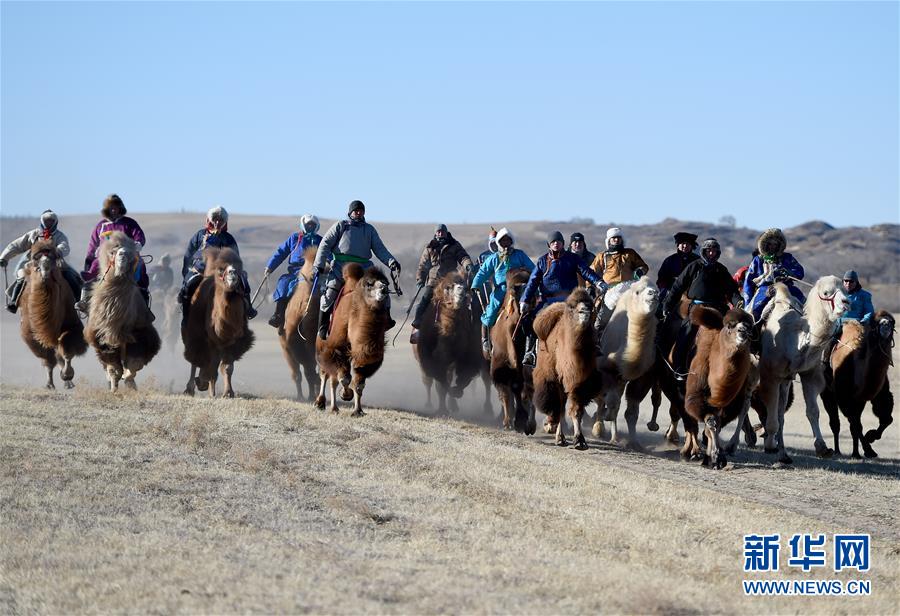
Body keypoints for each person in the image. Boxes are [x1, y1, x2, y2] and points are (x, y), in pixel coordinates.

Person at [313, 200, 400, 340]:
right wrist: (319, 264)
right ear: (350, 212)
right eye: (356, 210)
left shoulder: (369, 229)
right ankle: (322, 327)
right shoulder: (341, 226)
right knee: (330, 292)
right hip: (341, 266)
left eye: (361, 210)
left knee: (381, 288)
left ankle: (387, 318)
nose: (358, 212)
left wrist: (391, 262)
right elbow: (325, 244)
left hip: (364, 267)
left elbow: (380, 249)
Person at [519, 231, 606, 366]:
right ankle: (530, 351)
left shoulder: (572, 258)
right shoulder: (542, 261)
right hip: (548, 302)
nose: (556, 244)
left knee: (588, 315)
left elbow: (586, 271)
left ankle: (594, 344)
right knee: (530, 319)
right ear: (549, 245)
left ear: (563, 244)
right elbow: (533, 282)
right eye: (553, 242)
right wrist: (524, 300)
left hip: (570, 301)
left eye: (558, 241)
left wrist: (598, 282)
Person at [662, 238, 739, 377]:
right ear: (704, 251)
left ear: (718, 253)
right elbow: (677, 287)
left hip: (719, 308)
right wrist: (667, 304)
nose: (711, 253)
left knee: (733, 332)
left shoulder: (721, 269)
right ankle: (679, 367)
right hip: (697, 307)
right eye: (708, 250)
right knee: (686, 332)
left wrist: (739, 302)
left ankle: (735, 369)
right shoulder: (694, 266)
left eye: (714, 251)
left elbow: (732, 290)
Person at [178, 206, 257, 325]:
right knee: (189, 284)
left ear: (224, 222)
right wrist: (186, 272)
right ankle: (186, 316)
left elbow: (236, 256)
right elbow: (189, 254)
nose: (217, 222)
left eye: (220, 220)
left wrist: (236, 268)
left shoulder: (228, 238)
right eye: (215, 219)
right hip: (200, 270)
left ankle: (248, 308)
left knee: (243, 281)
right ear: (210, 220)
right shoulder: (200, 235)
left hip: (223, 272)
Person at [77, 194, 150, 314]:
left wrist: (137, 244)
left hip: (127, 255)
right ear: (107, 210)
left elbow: (139, 235)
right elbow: (93, 244)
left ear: (120, 208)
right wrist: (89, 258)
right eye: (111, 207)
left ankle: (144, 303)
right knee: (93, 268)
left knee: (140, 265)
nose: (114, 210)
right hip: (106, 257)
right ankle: (85, 300)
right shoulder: (101, 226)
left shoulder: (129, 223)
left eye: (116, 207)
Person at [470, 227, 535, 356]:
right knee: (491, 311)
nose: (506, 242)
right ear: (499, 242)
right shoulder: (494, 258)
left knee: (531, 312)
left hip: (519, 289)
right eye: (503, 240)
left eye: (508, 240)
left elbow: (533, 269)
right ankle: (486, 339)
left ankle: (532, 345)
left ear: (511, 241)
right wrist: (475, 284)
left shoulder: (519, 254)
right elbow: (483, 272)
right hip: (502, 290)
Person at [0, 210, 81, 313]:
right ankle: (14, 302)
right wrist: (4, 257)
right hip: (34, 263)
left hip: (55, 263)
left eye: (51, 221)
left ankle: (78, 301)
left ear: (55, 222)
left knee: (71, 276)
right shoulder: (34, 234)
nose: (49, 223)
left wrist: (58, 251)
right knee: (21, 277)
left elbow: (64, 246)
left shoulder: (59, 235)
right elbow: (17, 245)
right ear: (42, 221)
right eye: (46, 221)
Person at [409, 224, 474, 344]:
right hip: (433, 280)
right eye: (438, 232)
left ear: (446, 232)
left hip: (450, 280)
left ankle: (469, 325)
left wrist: (468, 264)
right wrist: (420, 279)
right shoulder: (430, 247)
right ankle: (418, 326)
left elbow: (463, 256)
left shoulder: (454, 245)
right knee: (425, 299)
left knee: (462, 299)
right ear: (435, 233)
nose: (440, 234)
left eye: (442, 232)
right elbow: (422, 265)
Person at [264, 214, 323, 332]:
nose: (310, 227)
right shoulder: (295, 238)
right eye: (308, 224)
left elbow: (329, 253)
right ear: (303, 225)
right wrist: (270, 266)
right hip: (295, 271)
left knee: (328, 289)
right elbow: (281, 252)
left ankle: (326, 322)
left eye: (313, 225)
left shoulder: (321, 240)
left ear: (316, 226)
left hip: (316, 272)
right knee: (283, 283)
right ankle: (278, 315)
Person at [590, 227, 649, 330]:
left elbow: (644, 267)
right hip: (609, 291)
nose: (616, 240)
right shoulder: (602, 256)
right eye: (613, 238)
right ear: (609, 240)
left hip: (629, 288)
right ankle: (597, 339)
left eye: (618, 238)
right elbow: (591, 273)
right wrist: (590, 287)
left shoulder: (630, 253)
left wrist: (640, 271)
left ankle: (654, 338)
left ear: (622, 239)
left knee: (647, 310)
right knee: (600, 322)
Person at [743, 228, 806, 321]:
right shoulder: (758, 259)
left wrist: (790, 273)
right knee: (753, 313)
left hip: (787, 287)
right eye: (770, 244)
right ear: (765, 244)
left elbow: (799, 270)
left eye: (775, 244)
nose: (772, 246)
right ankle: (753, 331)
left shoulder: (787, 257)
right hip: (765, 289)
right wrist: (747, 302)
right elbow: (748, 282)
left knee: (806, 308)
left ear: (780, 245)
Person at [822, 270, 875, 371]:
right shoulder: (837, 294)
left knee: (871, 342)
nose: (848, 284)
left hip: (856, 324)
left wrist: (863, 321)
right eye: (846, 281)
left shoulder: (864, 295)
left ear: (856, 282)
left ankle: (872, 364)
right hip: (838, 323)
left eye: (851, 281)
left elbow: (869, 312)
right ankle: (824, 363)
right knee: (828, 340)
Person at [656, 232, 699, 303]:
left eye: (688, 244)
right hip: (672, 292)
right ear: (678, 245)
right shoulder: (669, 260)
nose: (685, 246)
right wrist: (664, 289)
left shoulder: (698, 261)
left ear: (692, 246)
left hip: (694, 293)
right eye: (682, 243)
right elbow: (662, 278)